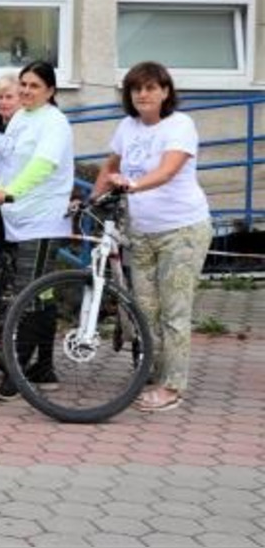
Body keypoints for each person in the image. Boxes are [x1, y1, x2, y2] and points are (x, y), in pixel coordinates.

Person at [94, 62, 213, 413]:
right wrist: (90, 202)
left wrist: (134, 185)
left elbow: (168, 169)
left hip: (182, 230)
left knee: (174, 311)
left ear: (165, 91)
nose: (142, 94)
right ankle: (154, 373)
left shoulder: (180, 125)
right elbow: (109, 167)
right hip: (142, 232)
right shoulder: (127, 127)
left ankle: (172, 386)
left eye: (150, 88)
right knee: (145, 310)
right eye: (136, 89)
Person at [0, 60, 73, 401]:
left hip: (42, 218)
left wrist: (11, 191)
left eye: (34, 86)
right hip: (16, 216)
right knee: (41, 293)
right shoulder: (21, 117)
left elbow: (42, 165)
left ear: (50, 91)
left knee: (27, 294)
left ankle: (16, 373)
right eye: (23, 84)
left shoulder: (55, 122)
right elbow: (8, 162)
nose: (25, 91)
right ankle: (45, 368)